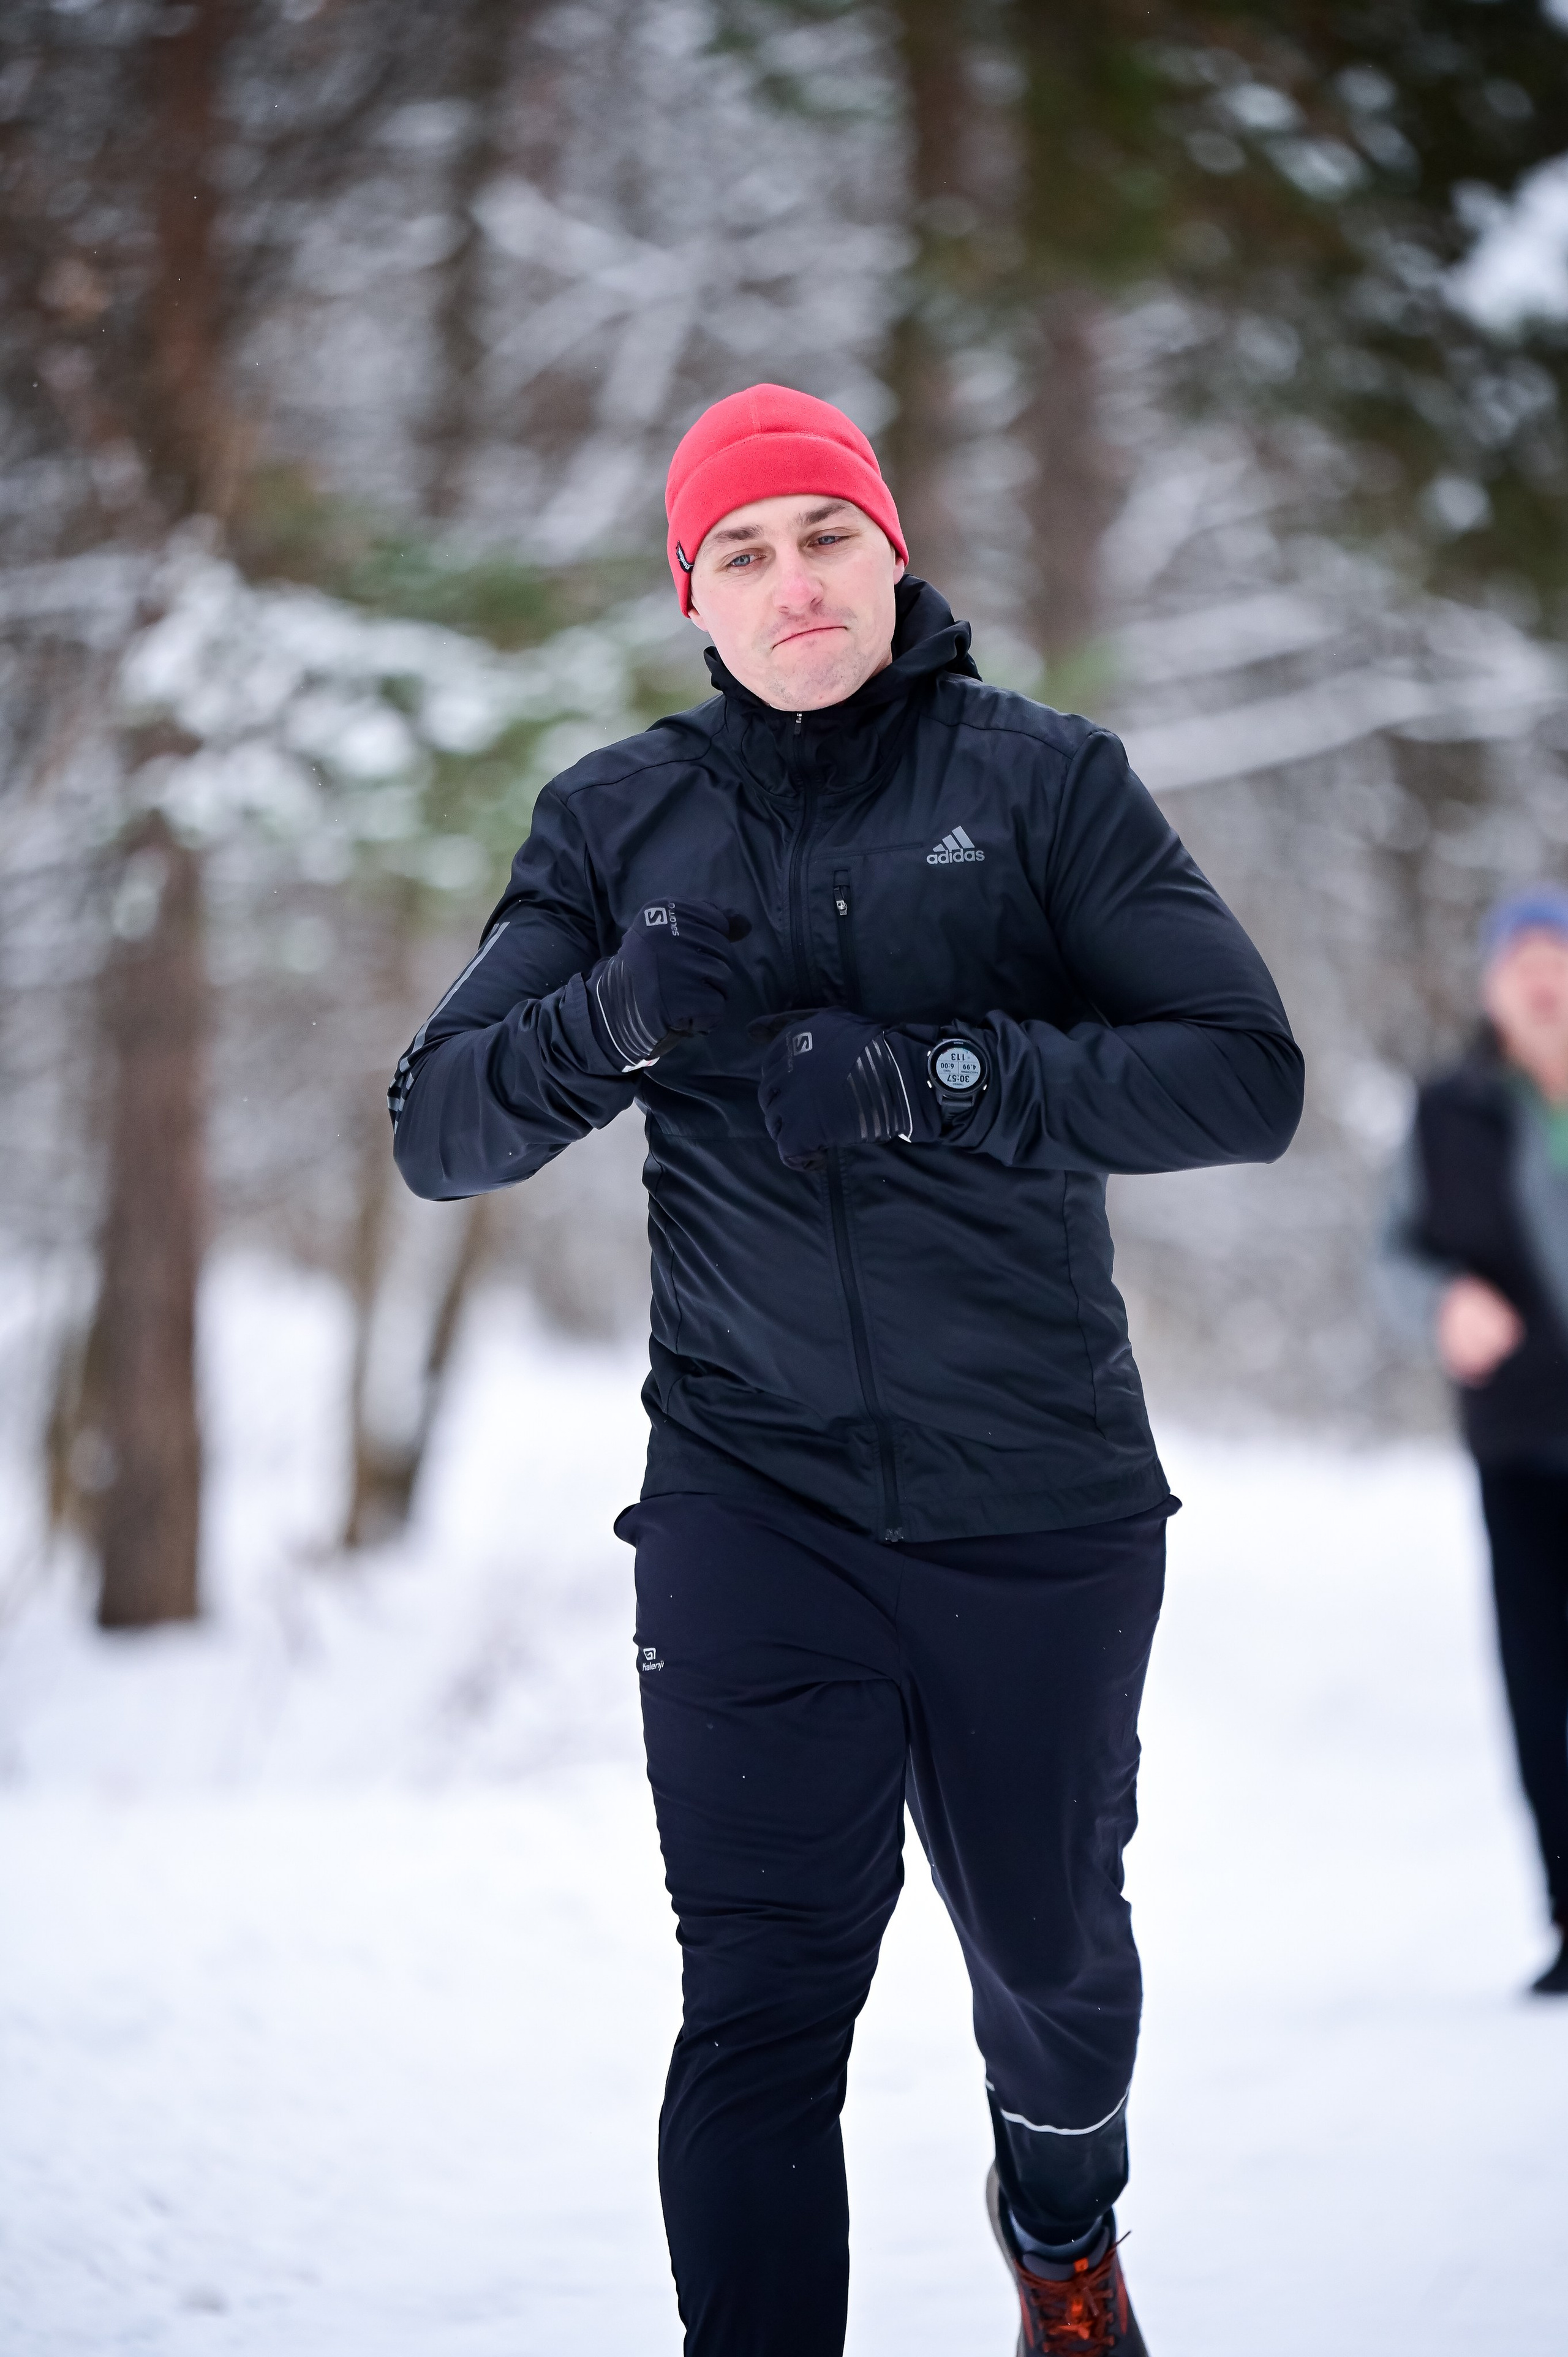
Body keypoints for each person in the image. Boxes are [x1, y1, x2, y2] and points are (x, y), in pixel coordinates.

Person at [389, 383, 1303, 2356]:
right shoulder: (615, 819)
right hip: (749, 1499)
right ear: (692, 600)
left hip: (1037, 1501)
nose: (792, 581)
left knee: (1052, 1962)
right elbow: (438, 1127)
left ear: (892, 551)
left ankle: (1063, 2226)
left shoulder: (1048, 781)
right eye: (744, 551)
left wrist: (939, 1073)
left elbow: (1246, 1077)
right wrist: (611, 1015)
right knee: (761, 1994)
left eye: (825, 535)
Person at [1382, 884, 1568, 2001]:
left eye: (1559, 950)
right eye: (1522, 955)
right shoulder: (1447, 1109)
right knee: (1539, 1680)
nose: (1541, 972)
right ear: (1493, 985)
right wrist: (1441, 1302)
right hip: (1519, 1441)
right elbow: (1390, 1256)